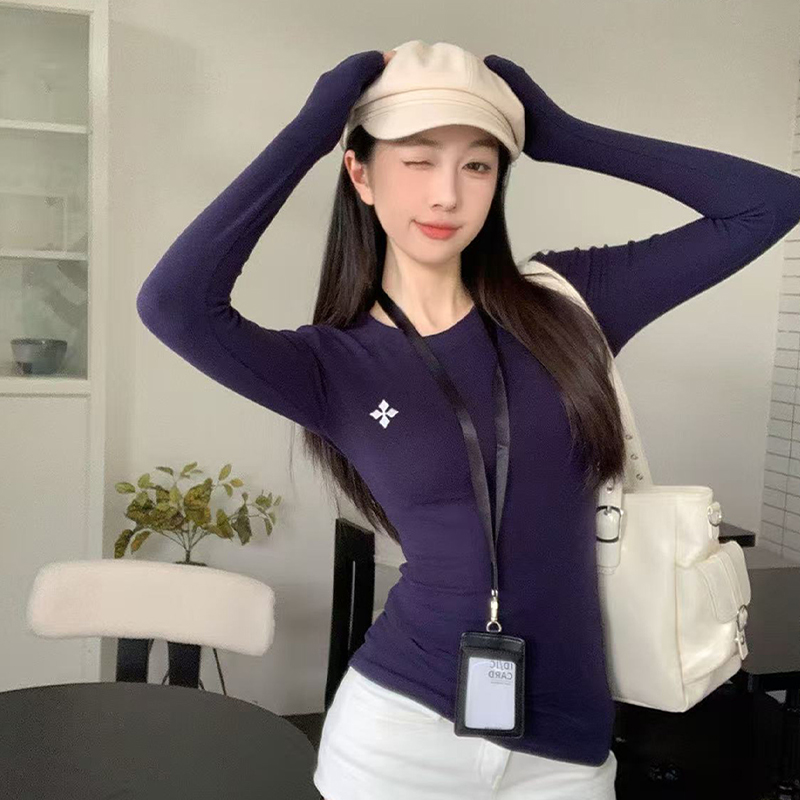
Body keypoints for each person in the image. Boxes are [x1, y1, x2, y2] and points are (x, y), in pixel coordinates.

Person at [136, 39, 800, 800]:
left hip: (568, 746)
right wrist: (314, 124)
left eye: (477, 165)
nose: (447, 194)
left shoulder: (572, 303)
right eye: (417, 160)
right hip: (400, 733)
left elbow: (770, 203)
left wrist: (563, 135)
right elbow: (174, 305)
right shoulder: (330, 366)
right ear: (361, 174)